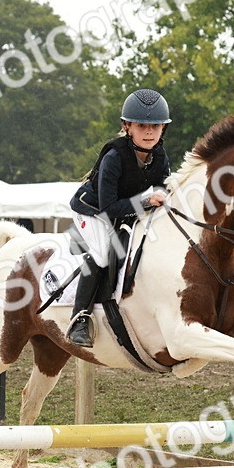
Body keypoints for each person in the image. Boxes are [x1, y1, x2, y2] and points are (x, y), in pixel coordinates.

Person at [67, 89, 171, 347]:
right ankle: (79, 319)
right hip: (91, 209)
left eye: (155, 126)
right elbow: (108, 209)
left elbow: (163, 188)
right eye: (142, 126)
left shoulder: (160, 156)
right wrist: (147, 201)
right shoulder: (114, 157)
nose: (149, 132)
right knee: (103, 252)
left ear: (163, 129)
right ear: (127, 127)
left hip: (122, 208)